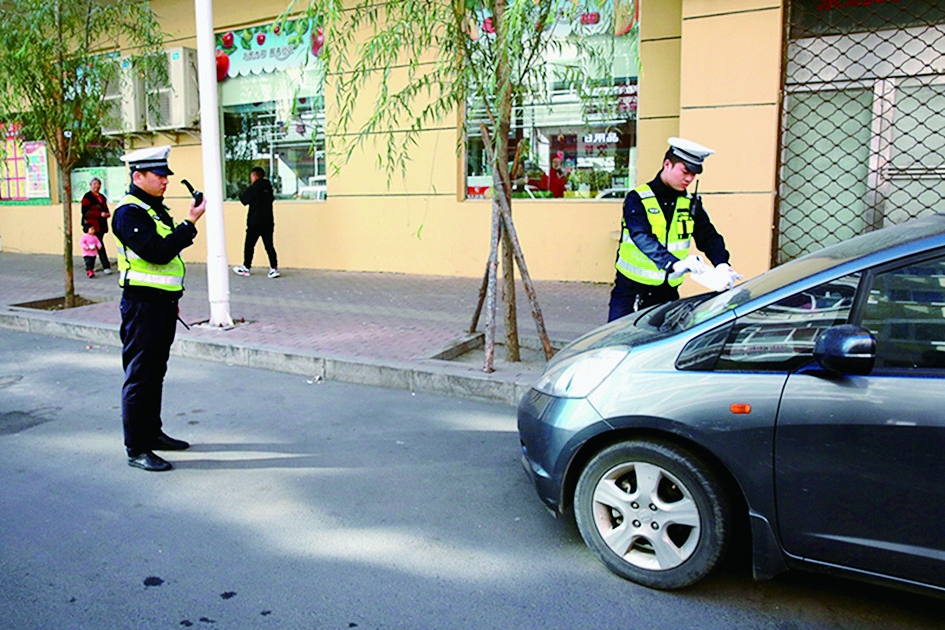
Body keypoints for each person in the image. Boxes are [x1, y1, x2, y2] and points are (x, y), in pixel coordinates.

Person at [111, 145, 206, 472]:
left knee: (155, 373)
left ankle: (152, 434)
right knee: (140, 376)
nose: (165, 181)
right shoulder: (129, 212)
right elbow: (158, 253)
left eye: (166, 175)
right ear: (139, 176)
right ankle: (136, 448)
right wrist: (190, 222)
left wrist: (172, 301)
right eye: (159, 175)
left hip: (161, 305)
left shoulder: (153, 208)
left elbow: (164, 262)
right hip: (141, 308)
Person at [607, 137, 741, 322]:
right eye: (685, 171)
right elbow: (641, 236)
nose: (689, 178)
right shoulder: (637, 199)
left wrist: (722, 264)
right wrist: (674, 264)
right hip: (631, 291)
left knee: (662, 347)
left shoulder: (689, 203)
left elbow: (708, 236)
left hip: (666, 293)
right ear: (667, 164)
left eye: (694, 174)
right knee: (618, 344)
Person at [233, 166, 279, 278]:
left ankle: (246, 267)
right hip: (268, 221)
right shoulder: (269, 188)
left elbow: (244, 199)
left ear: (254, 176)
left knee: (249, 245)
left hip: (255, 222)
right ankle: (274, 268)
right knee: (269, 245)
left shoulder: (254, 188)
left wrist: (241, 190)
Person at [80, 177, 113, 274]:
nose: (96, 186)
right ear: (90, 185)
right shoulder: (87, 197)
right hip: (92, 226)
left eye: (98, 184)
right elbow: (85, 211)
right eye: (94, 184)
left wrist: (106, 214)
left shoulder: (102, 197)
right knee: (99, 245)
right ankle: (105, 266)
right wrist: (99, 214)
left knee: (95, 245)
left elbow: (105, 208)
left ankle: (90, 266)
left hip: (101, 225)